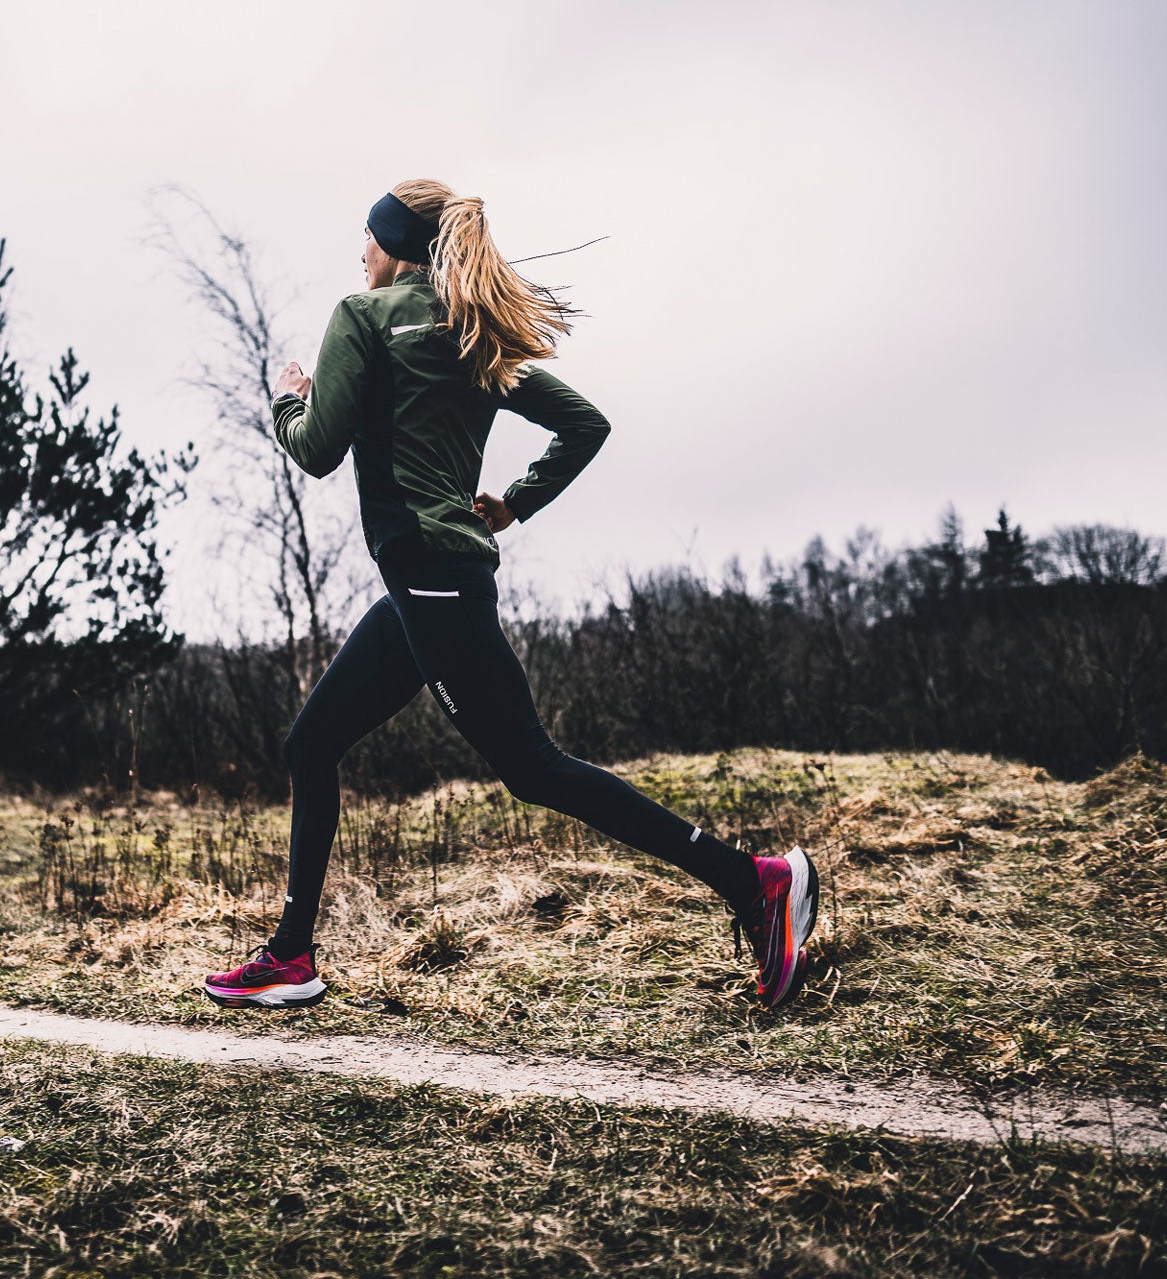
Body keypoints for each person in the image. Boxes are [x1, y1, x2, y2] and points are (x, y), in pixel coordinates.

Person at [203, 179, 817, 1013]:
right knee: (310, 746)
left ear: (398, 245)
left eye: (369, 237)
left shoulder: (364, 317)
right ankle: (291, 956)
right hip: (434, 580)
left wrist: (288, 397)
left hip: (428, 576)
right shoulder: (469, 333)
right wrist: (515, 503)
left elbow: (315, 451)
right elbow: (585, 424)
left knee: (532, 767)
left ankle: (754, 881)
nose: (361, 252)